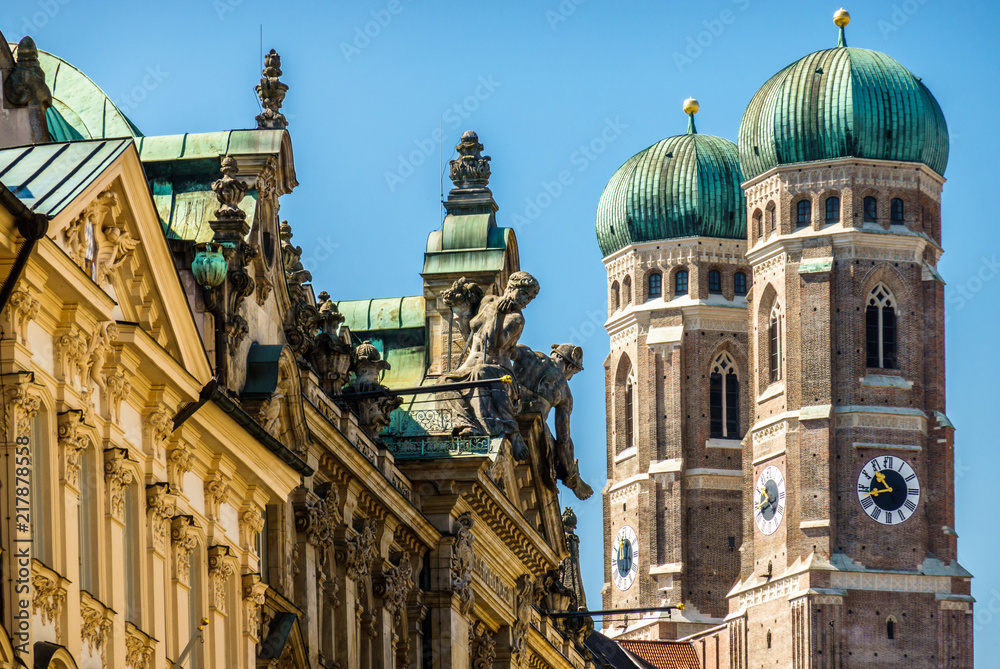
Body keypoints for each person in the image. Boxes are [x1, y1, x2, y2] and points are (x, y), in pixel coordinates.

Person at [437, 271, 540, 460]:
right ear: (511, 287)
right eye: (524, 294)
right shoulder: (488, 301)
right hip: (472, 364)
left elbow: (492, 344)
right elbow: (471, 327)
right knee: (444, 383)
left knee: (481, 374)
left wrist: (499, 315)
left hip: (500, 371)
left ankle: (512, 433)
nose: (526, 301)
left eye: (530, 298)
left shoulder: (516, 319)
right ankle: (466, 425)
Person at [512, 343, 594, 500]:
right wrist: (570, 471)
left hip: (508, 411)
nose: (570, 378)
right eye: (574, 373)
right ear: (570, 366)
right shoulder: (564, 392)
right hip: (533, 429)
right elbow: (563, 440)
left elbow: (502, 350)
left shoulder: (529, 355)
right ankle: (572, 477)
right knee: (562, 447)